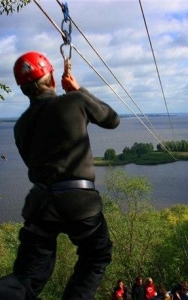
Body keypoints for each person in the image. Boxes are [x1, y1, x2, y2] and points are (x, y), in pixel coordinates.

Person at [0, 51, 120, 299]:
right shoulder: (74, 101)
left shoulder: (20, 125)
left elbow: (32, 164)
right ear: (53, 79)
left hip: (41, 206)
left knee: (27, 276)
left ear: (23, 90)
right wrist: (78, 90)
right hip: (80, 204)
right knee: (96, 256)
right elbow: (112, 120)